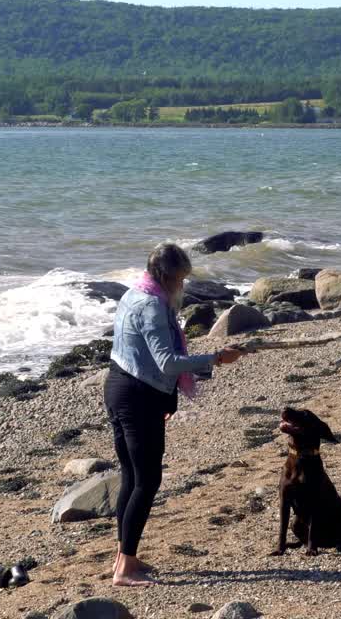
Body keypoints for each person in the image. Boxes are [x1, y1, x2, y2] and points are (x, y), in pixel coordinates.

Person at [105, 242, 245, 587]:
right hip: (138, 397)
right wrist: (214, 358)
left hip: (118, 386)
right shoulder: (152, 305)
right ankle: (125, 569)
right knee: (147, 480)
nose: (183, 285)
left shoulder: (132, 293)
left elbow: (141, 353)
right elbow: (167, 362)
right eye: (181, 279)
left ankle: (125, 557)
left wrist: (168, 399)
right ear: (167, 276)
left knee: (131, 477)